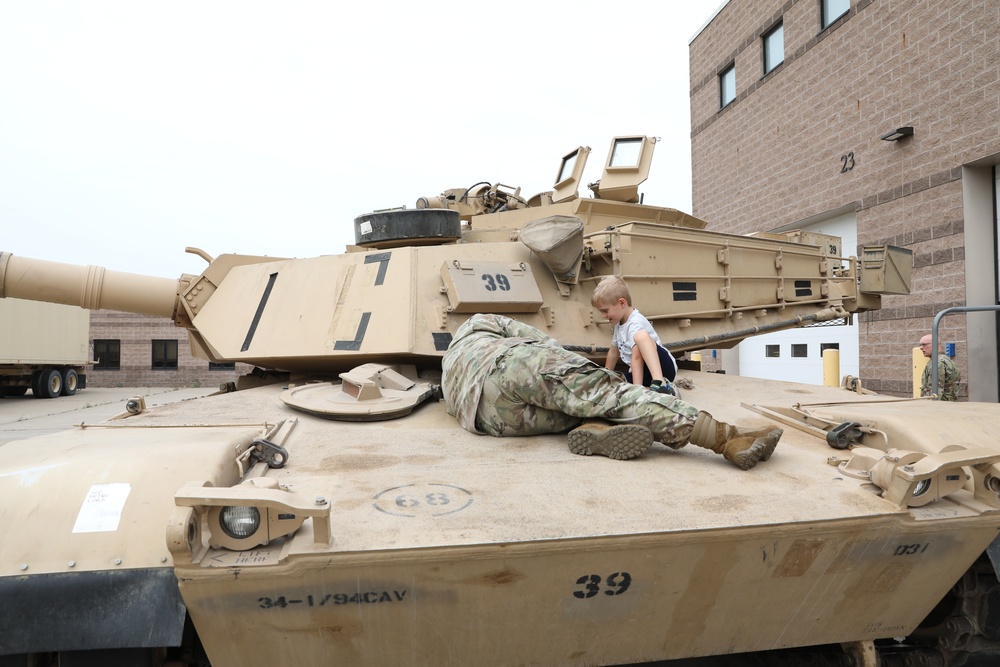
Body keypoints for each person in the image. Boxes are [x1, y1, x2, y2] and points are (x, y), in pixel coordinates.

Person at [441, 313, 783, 470]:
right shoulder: (479, 322)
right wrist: (591, 374)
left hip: (488, 419)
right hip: (508, 366)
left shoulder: (448, 368)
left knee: (577, 408)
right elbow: (545, 343)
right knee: (609, 394)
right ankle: (727, 439)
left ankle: (596, 428)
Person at [591, 276, 677, 395]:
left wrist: (637, 390)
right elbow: (613, 352)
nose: (603, 315)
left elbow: (637, 357)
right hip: (643, 373)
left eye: (605, 311)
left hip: (663, 369)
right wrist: (606, 375)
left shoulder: (635, 323)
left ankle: (661, 384)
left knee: (640, 337)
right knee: (615, 380)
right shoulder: (619, 323)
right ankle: (648, 385)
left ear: (622, 303)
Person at [919, 334, 960, 401]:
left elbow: (935, 393)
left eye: (924, 344)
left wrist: (927, 408)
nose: (921, 348)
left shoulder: (937, 363)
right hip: (949, 406)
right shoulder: (945, 360)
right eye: (920, 345)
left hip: (941, 407)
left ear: (935, 344)